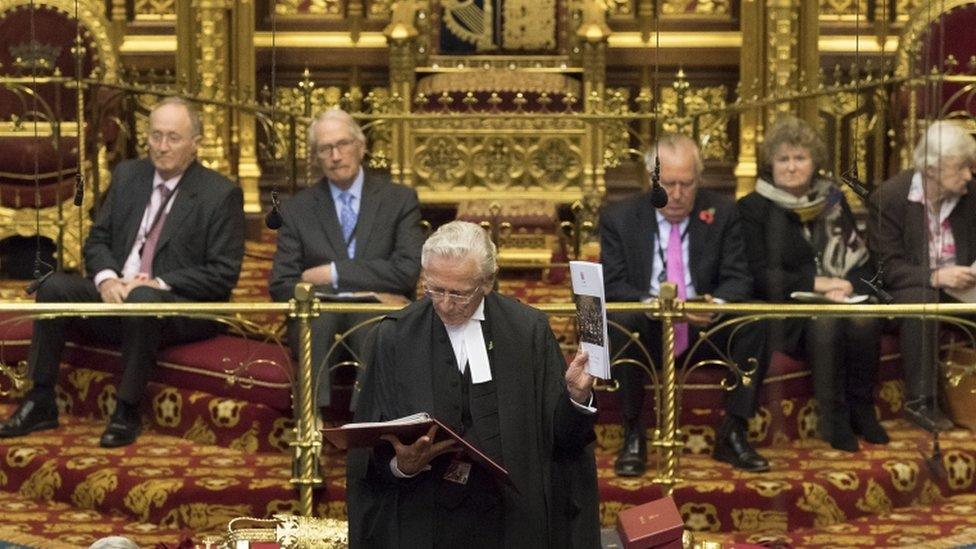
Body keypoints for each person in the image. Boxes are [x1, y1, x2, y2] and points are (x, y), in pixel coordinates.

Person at [0, 96, 245, 447]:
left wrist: (156, 282)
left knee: (144, 298)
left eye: (173, 138)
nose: (161, 147)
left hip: (176, 307)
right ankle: (40, 400)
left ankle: (126, 409)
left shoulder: (220, 195)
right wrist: (107, 278)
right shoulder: (130, 175)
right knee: (53, 286)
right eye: (155, 136)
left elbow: (223, 273)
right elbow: (97, 239)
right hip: (116, 295)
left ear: (196, 143)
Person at [347, 221, 599, 549]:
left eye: (459, 293)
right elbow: (367, 451)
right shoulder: (392, 338)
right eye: (434, 289)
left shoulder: (528, 332)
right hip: (425, 518)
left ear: (486, 283)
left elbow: (562, 443)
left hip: (510, 521)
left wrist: (576, 398)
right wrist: (400, 465)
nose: (445, 304)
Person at [600, 134, 770, 474]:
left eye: (687, 185)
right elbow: (614, 284)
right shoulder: (619, 217)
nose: (677, 195)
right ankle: (633, 433)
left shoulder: (722, 212)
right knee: (620, 320)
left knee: (756, 321)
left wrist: (714, 304)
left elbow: (739, 279)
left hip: (704, 327)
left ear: (699, 179)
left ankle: (733, 432)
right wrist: (656, 307)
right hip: (647, 323)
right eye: (668, 184)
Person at [738, 116, 888, 452]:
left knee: (865, 320)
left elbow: (859, 259)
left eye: (799, 158)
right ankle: (833, 417)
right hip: (785, 309)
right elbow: (758, 275)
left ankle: (862, 410)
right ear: (770, 164)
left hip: (837, 297)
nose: (791, 167)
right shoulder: (753, 208)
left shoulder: (833, 200)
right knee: (826, 323)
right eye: (783, 159)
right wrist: (817, 284)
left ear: (814, 162)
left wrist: (845, 285)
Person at [269, 109, 424, 414]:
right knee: (316, 322)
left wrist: (332, 273)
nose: (336, 156)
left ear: (361, 147)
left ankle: (363, 429)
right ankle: (311, 427)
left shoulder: (399, 199)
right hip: (319, 310)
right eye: (325, 149)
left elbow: (406, 271)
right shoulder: (297, 209)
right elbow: (281, 284)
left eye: (343, 145)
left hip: (377, 311)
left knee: (371, 328)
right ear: (316, 157)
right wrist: (363, 283)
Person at [869, 120, 976, 432]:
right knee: (923, 300)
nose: (969, 176)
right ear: (932, 169)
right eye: (961, 168)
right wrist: (936, 276)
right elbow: (885, 269)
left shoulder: (971, 196)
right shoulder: (889, 199)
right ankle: (921, 401)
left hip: (966, 286)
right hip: (910, 287)